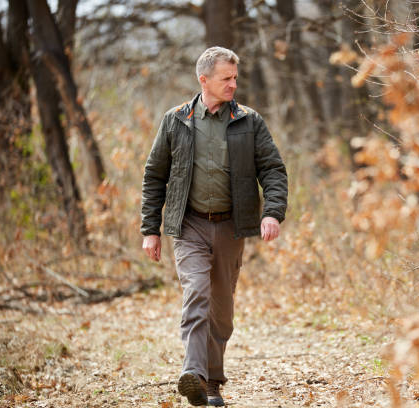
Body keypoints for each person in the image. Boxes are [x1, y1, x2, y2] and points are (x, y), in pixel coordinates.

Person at [140, 46, 288, 407]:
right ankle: (194, 374)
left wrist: (272, 213)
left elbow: (272, 169)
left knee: (221, 309)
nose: (233, 84)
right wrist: (151, 229)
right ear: (203, 80)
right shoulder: (175, 119)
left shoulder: (249, 121)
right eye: (226, 78)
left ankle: (212, 383)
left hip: (230, 227)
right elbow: (154, 175)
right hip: (189, 225)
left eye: (235, 78)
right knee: (196, 294)